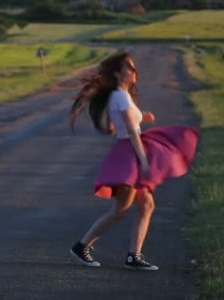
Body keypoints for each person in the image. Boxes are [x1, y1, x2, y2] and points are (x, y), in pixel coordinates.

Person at [68, 52, 199, 271]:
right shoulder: (120, 96)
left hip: (128, 151)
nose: (134, 71)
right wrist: (144, 161)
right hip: (130, 154)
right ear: (118, 73)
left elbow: (117, 124)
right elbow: (130, 131)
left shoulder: (122, 96)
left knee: (146, 205)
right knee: (121, 209)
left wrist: (142, 116)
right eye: (129, 68)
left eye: (134, 68)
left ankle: (133, 256)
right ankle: (82, 246)